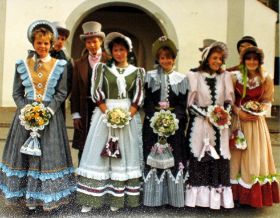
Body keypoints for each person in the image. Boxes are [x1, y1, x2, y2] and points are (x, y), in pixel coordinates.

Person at [0, 20, 76, 211]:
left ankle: (47, 198)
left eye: (46, 43)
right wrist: (26, 111)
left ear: (51, 44)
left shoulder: (60, 65)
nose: (42, 46)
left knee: (48, 155)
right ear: (33, 43)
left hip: (51, 117)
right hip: (25, 117)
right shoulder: (22, 65)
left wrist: (48, 111)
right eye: (39, 42)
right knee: (25, 156)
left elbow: (61, 93)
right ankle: (28, 199)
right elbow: (17, 93)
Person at [76, 32, 145, 212]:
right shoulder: (102, 69)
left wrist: (126, 117)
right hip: (105, 114)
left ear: (127, 51)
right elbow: (96, 95)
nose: (119, 53)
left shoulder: (137, 72)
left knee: (123, 154)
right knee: (99, 152)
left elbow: (138, 99)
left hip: (127, 116)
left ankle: (117, 198)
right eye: (116, 50)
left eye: (122, 50)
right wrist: (110, 115)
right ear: (111, 51)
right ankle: (91, 199)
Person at [185, 41, 235, 209]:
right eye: (214, 58)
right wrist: (208, 115)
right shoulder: (194, 75)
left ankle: (217, 199)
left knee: (219, 155)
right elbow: (190, 104)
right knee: (201, 154)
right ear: (206, 58)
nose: (218, 62)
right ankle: (199, 199)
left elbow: (229, 100)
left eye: (220, 59)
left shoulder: (225, 76)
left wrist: (221, 114)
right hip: (200, 124)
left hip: (220, 124)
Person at [230, 46, 280, 207]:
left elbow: (267, 100)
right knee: (237, 155)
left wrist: (259, 110)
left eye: (255, 59)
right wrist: (238, 111)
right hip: (238, 121)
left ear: (259, 61)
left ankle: (251, 196)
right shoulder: (235, 77)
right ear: (243, 61)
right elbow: (229, 99)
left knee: (254, 156)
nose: (251, 62)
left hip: (256, 123)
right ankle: (235, 194)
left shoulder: (266, 78)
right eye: (248, 59)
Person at [142, 36, 188, 207]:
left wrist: (173, 119)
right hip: (153, 125)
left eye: (169, 57)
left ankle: (173, 198)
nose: (166, 60)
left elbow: (183, 104)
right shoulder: (150, 76)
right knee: (153, 155)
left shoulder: (181, 78)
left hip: (174, 126)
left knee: (173, 156)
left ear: (174, 59)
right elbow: (146, 101)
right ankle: (153, 198)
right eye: (162, 57)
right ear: (158, 59)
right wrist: (155, 118)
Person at [70, 21, 108, 163]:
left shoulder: (109, 61)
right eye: (88, 42)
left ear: (101, 41)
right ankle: (82, 173)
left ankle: (100, 174)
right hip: (84, 108)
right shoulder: (79, 63)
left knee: (102, 141)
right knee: (83, 145)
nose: (92, 45)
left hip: (103, 107)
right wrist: (75, 114)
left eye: (94, 41)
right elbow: (74, 91)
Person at [50, 21, 73, 118]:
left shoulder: (66, 59)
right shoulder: (42, 55)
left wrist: (59, 99)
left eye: (62, 39)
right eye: (57, 38)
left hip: (58, 102)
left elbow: (68, 82)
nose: (59, 41)